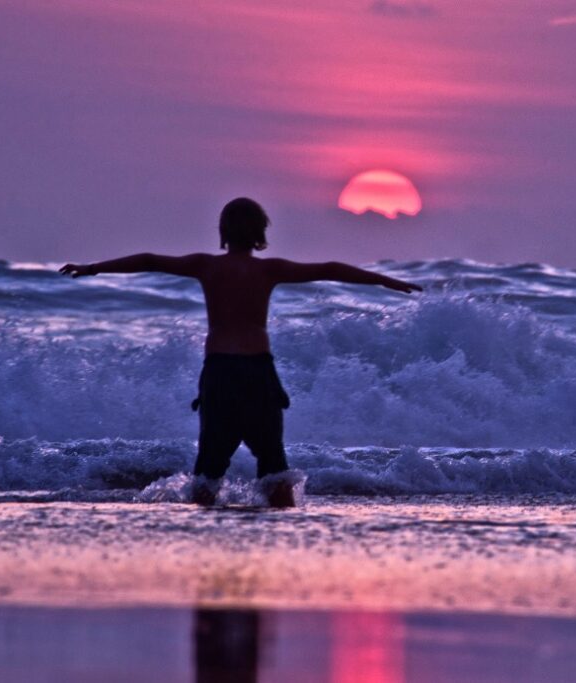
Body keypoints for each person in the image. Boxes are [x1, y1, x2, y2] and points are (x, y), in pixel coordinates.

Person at [60, 197, 422, 507]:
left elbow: (150, 260)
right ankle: (284, 529)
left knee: (209, 465)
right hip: (258, 374)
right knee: (273, 461)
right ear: (260, 233)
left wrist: (93, 268)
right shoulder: (269, 270)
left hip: (219, 372)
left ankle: (200, 526)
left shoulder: (207, 266)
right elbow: (329, 270)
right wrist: (385, 280)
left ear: (223, 231)